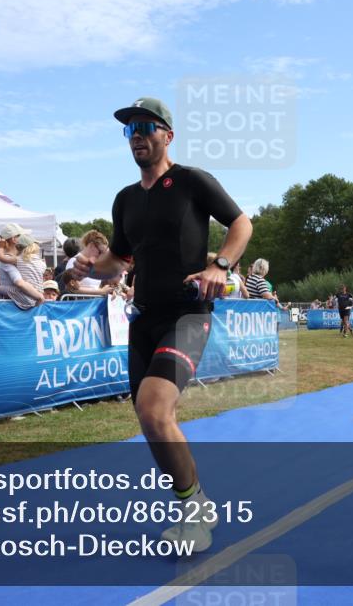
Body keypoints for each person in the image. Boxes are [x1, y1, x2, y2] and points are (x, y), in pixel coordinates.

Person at [70, 96, 252, 554]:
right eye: (130, 128)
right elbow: (120, 258)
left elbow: (241, 224)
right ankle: (197, 502)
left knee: (154, 409)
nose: (137, 135)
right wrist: (87, 268)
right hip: (143, 318)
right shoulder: (125, 200)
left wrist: (222, 266)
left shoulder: (191, 181)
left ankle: (195, 515)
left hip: (187, 314)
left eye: (146, 127)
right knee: (152, 420)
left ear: (167, 135)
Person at [0, 233, 46, 310]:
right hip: (38, 293)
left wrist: (0, 247)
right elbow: (42, 270)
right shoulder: (41, 263)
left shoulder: (19, 260)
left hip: (25, 295)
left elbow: (1, 257)